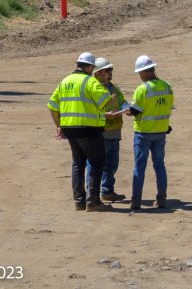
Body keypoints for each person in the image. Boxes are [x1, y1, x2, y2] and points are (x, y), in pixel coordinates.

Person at [47, 52, 111, 212]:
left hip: (70, 130)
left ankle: (79, 201)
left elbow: (52, 106)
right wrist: (113, 97)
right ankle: (93, 201)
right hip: (89, 129)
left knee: (78, 164)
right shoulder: (91, 82)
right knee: (97, 162)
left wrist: (59, 125)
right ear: (89, 67)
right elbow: (106, 103)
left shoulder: (64, 82)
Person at [123, 54, 175, 212]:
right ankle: (162, 199)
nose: (140, 76)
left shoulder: (142, 89)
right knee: (160, 166)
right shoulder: (166, 86)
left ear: (144, 72)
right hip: (161, 132)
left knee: (139, 167)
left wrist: (128, 111)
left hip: (143, 133)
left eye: (139, 73)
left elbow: (135, 111)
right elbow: (168, 108)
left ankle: (136, 201)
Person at [89, 59, 128, 204]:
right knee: (97, 165)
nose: (110, 73)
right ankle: (92, 194)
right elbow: (90, 111)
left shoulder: (113, 88)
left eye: (111, 70)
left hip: (114, 132)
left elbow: (123, 101)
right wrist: (107, 116)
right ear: (98, 73)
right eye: (107, 70)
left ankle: (107, 191)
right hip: (100, 133)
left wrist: (128, 108)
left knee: (112, 165)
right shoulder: (93, 88)